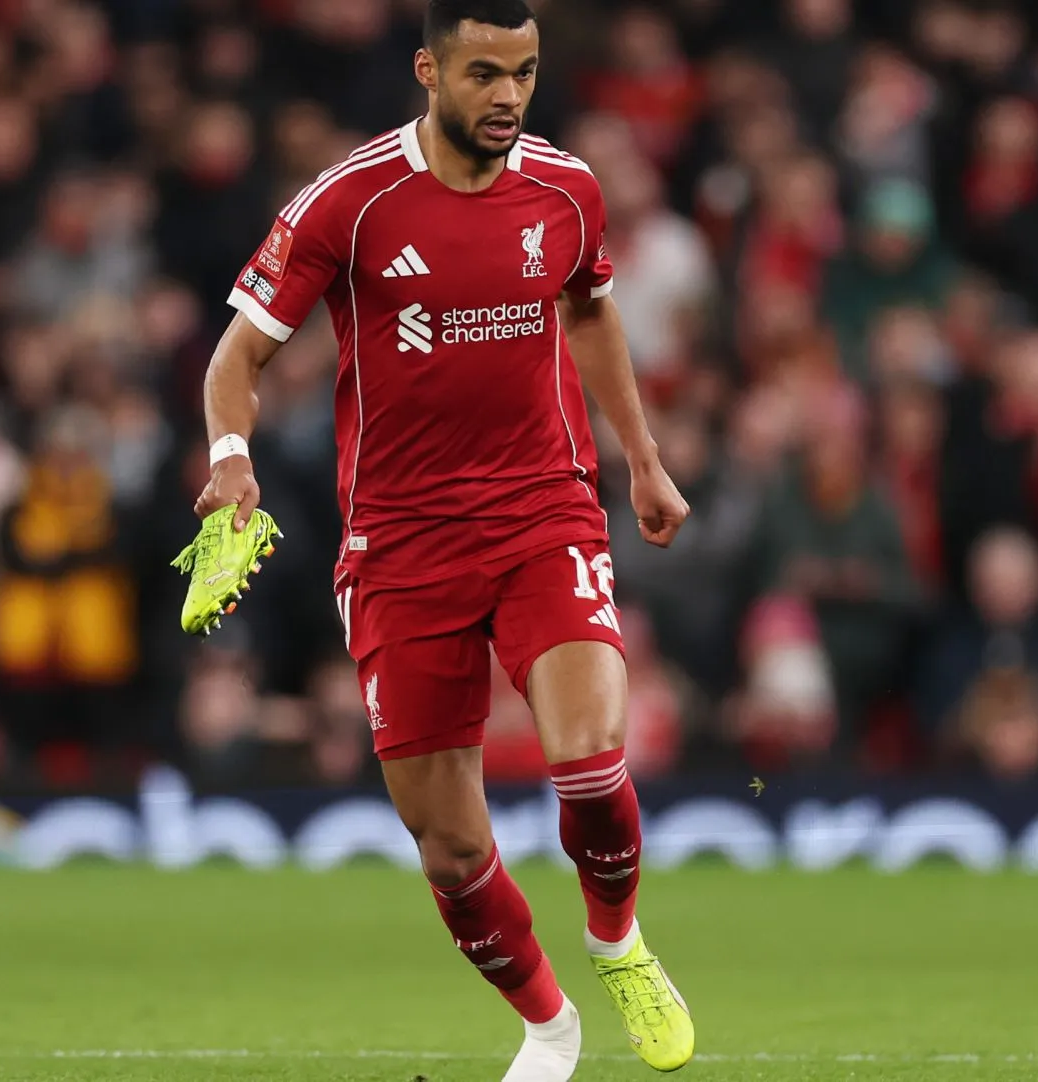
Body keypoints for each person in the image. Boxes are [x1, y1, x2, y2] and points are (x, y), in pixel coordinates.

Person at [183, 3, 694, 1079]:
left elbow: (591, 310)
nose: (507, 95)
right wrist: (231, 456)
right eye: (483, 74)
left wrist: (641, 457)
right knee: (450, 842)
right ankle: (551, 1027)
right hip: (401, 543)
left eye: (525, 71)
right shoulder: (352, 202)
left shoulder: (567, 189)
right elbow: (236, 359)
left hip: (542, 507)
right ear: (428, 70)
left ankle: (619, 942)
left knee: (591, 756)